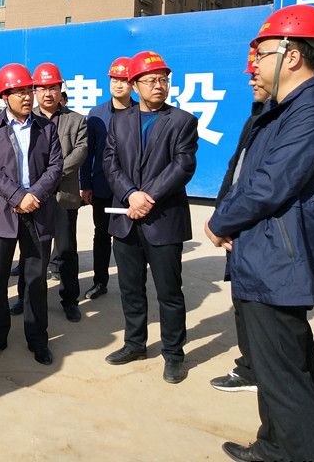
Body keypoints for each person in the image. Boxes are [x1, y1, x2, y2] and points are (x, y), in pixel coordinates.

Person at [206, 4, 314, 462]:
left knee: (283, 374)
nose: (253, 66)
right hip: (267, 251)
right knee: (280, 365)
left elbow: (270, 184)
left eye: (260, 55)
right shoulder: (282, 110)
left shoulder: (312, 110)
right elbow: (243, 174)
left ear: (291, 55)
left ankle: (292, 453)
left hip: (280, 257)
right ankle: (274, 445)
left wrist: (221, 222)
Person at [102, 50, 198, 384]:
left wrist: (148, 197)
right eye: (151, 80)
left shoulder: (182, 121)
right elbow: (110, 163)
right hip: (126, 220)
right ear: (135, 85)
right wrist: (131, 194)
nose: (159, 86)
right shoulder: (119, 121)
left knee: (169, 293)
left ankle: (174, 354)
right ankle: (135, 344)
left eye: (163, 80)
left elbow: (183, 165)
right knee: (130, 288)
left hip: (163, 220)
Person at [0, 63, 62, 365]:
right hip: (1, 213)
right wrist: (17, 196)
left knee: (36, 280)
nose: (27, 97)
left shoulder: (46, 128)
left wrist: (33, 196)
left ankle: (37, 339)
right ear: (5, 96)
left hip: (37, 211)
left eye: (29, 90)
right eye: (19, 92)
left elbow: (55, 167)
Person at [208, 48, 266, 395]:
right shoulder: (258, 117)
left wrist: (222, 223)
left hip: (267, 237)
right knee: (244, 306)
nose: (251, 79)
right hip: (241, 233)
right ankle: (250, 368)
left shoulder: (302, 116)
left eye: (256, 71)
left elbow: (267, 186)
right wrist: (222, 215)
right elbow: (235, 173)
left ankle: (297, 406)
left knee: (278, 326)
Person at [10, 62, 86, 322]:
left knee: (65, 251)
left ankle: (69, 300)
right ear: (35, 91)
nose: (47, 93)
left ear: (60, 89)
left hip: (63, 196)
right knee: (30, 252)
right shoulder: (26, 118)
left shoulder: (76, 120)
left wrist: (50, 176)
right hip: (33, 198)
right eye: (41, 88)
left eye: (52, 87)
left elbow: (80, 152)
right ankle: (24, 297)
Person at [79, 58, 137, 300]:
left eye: (124, 80)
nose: (118, 84)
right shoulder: (97, 114)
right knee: (101, 235)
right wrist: (85, 184)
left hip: (131, 189)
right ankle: (99, 282)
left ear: (133, 83)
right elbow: (87, 153)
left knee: (129, 239)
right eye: (114, 79)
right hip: (103, 187)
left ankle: (131, 286)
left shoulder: (141, 112)